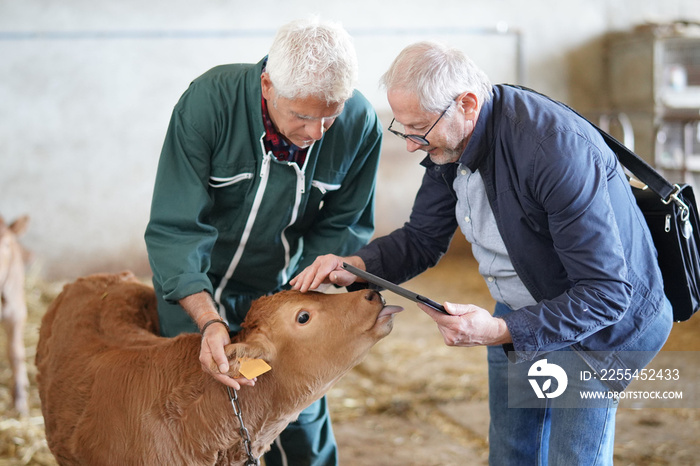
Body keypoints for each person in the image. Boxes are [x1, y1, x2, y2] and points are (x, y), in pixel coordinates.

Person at [291, 41, 673, 465]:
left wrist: (498, 332)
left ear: (467, 104)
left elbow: (605, 294)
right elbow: (422, 238)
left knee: (572, 456)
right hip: (522, 302)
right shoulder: (449, 143)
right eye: (402, 128)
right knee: (512, 452)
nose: (411, 145)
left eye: (418, 128)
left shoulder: (553, 150)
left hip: (600, 325)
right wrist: (356, 266)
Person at [144, 17, 382, 466]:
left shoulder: (359, 124)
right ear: (268, 84)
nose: (317, 132)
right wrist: (208, 320)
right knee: (192, 427)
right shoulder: (209, 103)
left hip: (284, 297)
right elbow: (177, 227)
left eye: (331, 115)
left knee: (297, 424)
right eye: (304, 116)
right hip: (194, 289)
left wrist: (301, 303)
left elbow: (343, 225)